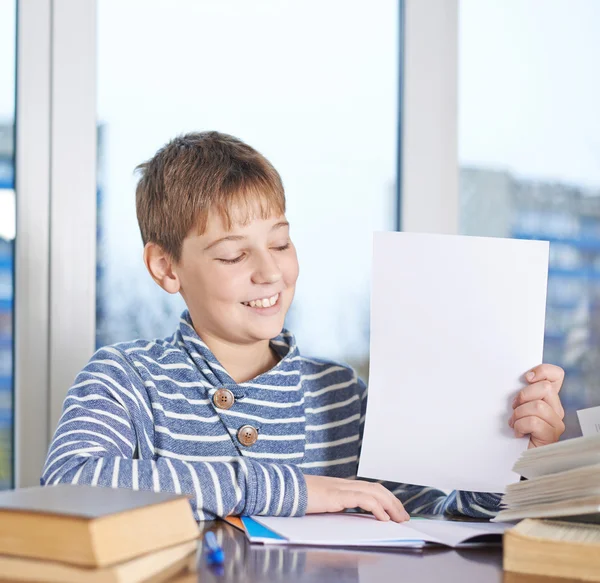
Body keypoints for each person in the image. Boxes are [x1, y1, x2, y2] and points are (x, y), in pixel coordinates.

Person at [41, 132, 566, 522]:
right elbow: (69, 482)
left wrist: (510, 461)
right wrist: (296, 490)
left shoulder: (341, 396)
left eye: (280, 243)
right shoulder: (125, 378)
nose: (269, 272)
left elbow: (438, 520)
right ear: (166, 267)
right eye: (233, 255)